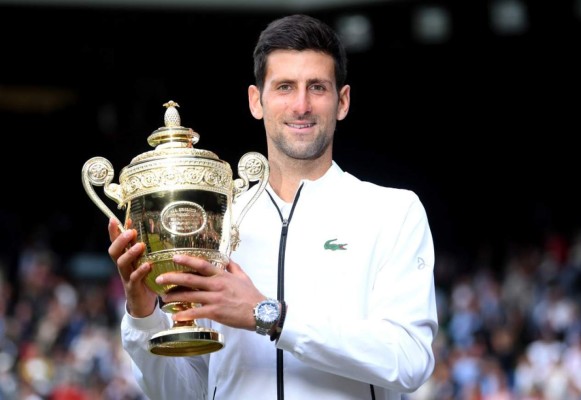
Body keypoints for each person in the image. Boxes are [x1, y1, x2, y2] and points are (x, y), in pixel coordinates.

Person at [108, 13, 438, 400]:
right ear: (256, 101)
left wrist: (271, 317)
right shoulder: (215, 223)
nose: (301, 105)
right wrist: (144, 315)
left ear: (342, 101)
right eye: (284, 87)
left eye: (317, 87)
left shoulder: (392, 212)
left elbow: (410, 359)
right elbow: (186, 392)